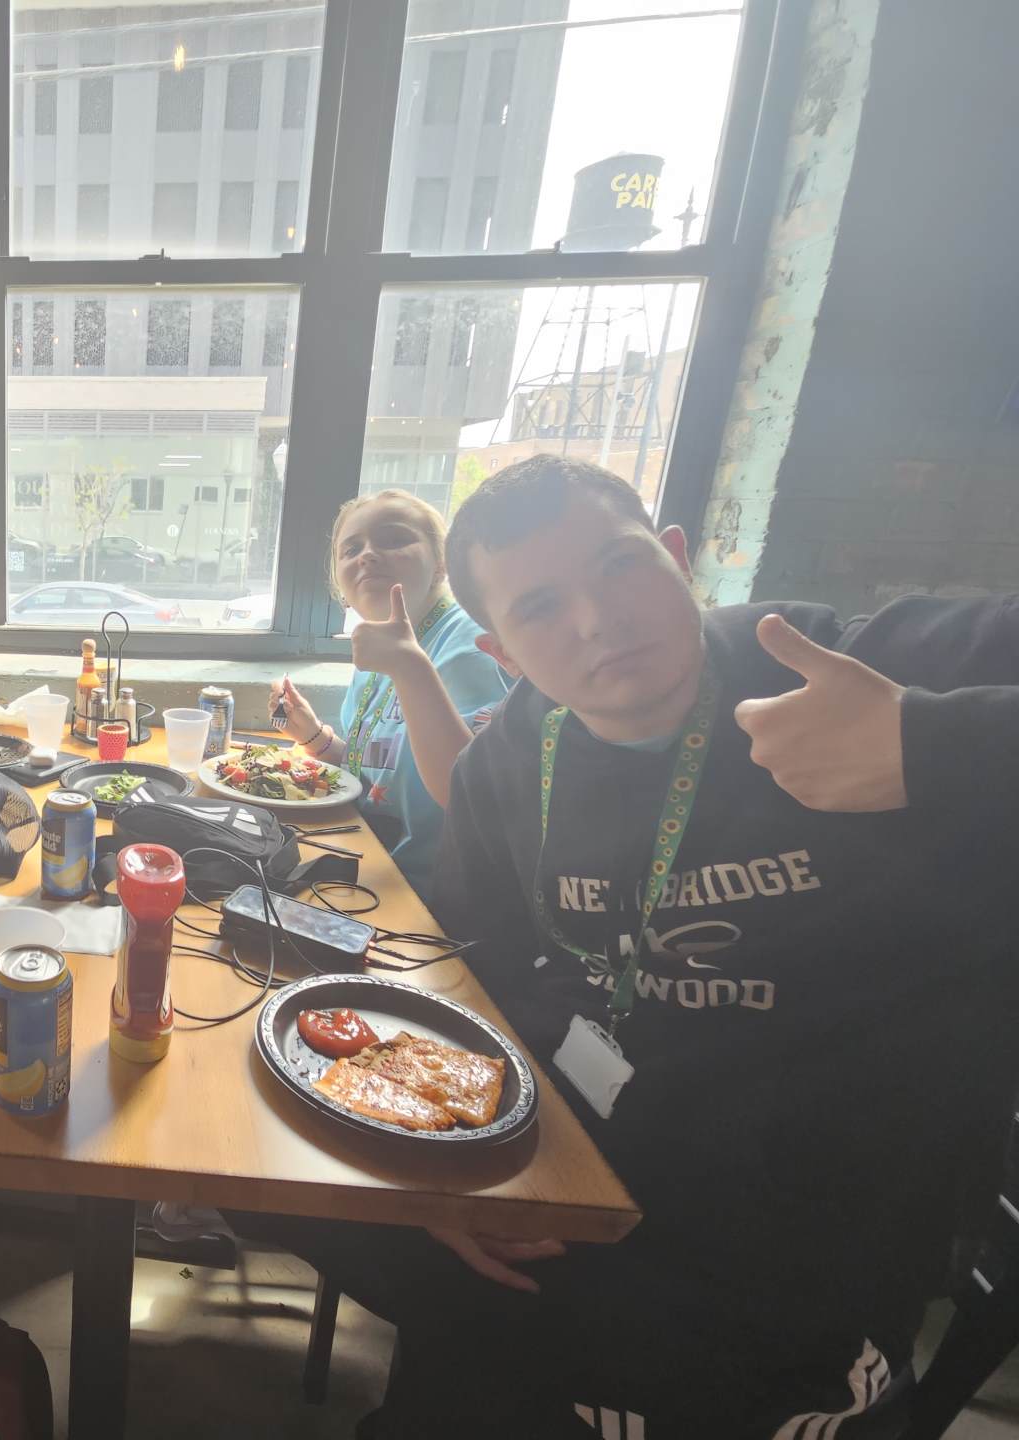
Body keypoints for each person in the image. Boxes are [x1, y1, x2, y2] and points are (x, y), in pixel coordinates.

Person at [236, 456, 1019, 1437]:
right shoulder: (507, 765)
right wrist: (440, 1164)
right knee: (276, 1177)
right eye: (541, 606)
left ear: (678, 557)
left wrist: (930, 743)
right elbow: (473, 975)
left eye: (620, 565)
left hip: (810, 1235)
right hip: (575, 1182)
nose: (597, 621)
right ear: (503, 649)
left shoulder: (838, 663)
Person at [270, 489, 508, 890]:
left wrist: (408, 667)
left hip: (433, 896)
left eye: (395, 539)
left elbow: (471, 799)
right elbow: (382, 776)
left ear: (442, 563)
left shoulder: (471, 647)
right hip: (372, 863)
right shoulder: (382, 645)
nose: (367, 555)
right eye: (351, 549)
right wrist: (314, 737)